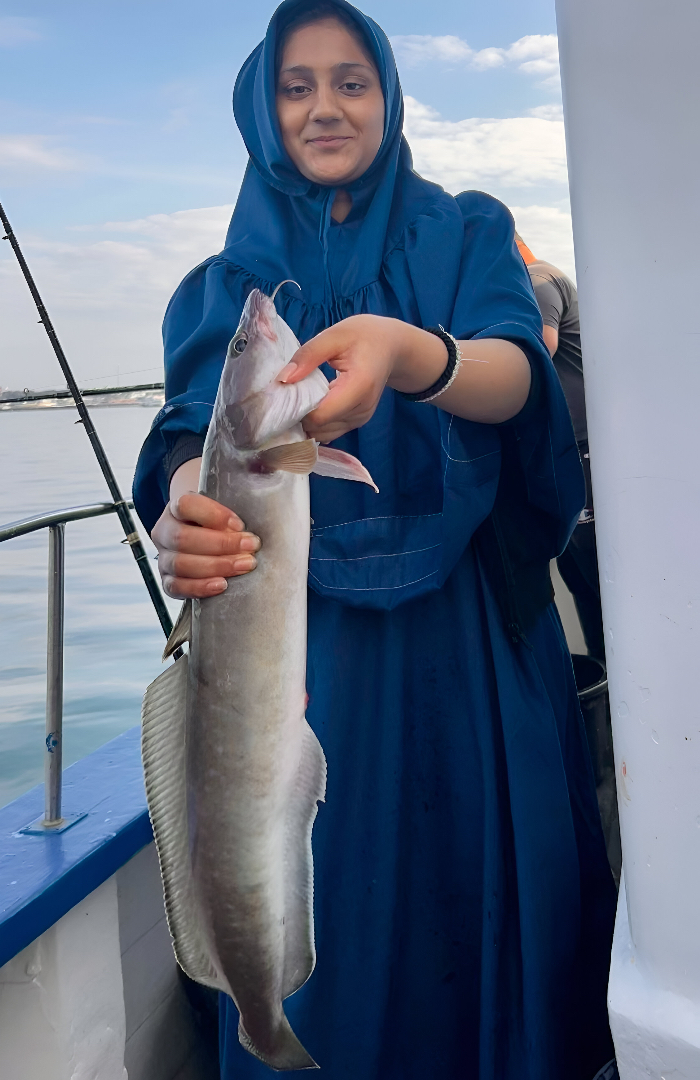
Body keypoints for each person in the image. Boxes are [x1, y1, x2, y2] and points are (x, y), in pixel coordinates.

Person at [133, 2, 618, 1076]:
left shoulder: (466, 231)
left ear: (389, 97)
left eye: (351, 80)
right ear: (262, 111)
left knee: (489, 903)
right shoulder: (221, 291)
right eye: (295, 86)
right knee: (319, 908)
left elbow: (516, 377)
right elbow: (181, 435)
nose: (323, 107)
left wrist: (412, 354)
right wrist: (184, 507)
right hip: (303, 658)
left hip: (475, 647)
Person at [516, 233, 605, 661]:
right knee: (582, 582)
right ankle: (608, 683)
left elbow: (539, 347)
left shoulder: (538, 279)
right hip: (570, 455)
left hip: (584, 455)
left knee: (593, 580)